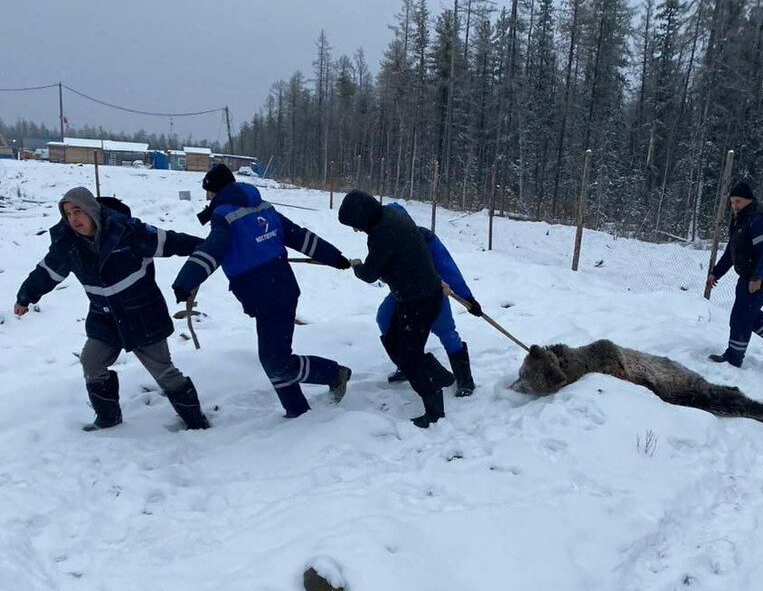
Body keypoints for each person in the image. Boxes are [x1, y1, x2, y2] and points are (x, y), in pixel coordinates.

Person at [14, 187, 210, 431]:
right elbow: (46, 273)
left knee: (163, 372)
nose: (73, 219)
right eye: (67, 214)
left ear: (92, 211)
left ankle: (196, 422)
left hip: (142, 314)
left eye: (78, 211)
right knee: (91, 362)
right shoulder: (67, 244)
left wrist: (210, 248)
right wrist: (25, 297)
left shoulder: (128, 232)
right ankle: (108, 419)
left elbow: (170, 241)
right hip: (104, 317)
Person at [172, 164, 352, 419]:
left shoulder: (224, 215)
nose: (207, 198)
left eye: (208, 192)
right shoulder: (263, 206)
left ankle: (334, 374)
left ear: (215, 191)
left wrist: (186, 281)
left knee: (275, 361)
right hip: (279, 289)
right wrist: (335, 257)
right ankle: (297, 410)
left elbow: (214, 248)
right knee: (273, 357)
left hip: (267, 295)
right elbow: (298, 236)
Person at [338, 189, 456, 428]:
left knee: (410, 356)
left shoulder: (383, 232)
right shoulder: (390, 215)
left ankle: (434, 410)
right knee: (393, 340)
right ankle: (441, 376)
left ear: (362, 216)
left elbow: (371, 273)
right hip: (414, 296)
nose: (356, 230)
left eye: (354, 224)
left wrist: (357, 266)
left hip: (419, 300)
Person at [376, 202, 482, 397]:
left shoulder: (424, 238)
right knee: (384, 318)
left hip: (432, 291)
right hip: (401, 295)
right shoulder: (383, 239)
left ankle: (464, 379)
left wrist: (468, 298)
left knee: (445, 330)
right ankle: (406, 365)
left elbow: (447, 267)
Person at [705, 180, 763, 367]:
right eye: (731, 202)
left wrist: (758, 277)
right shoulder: (741, 218)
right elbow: (732, 250)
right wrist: (716, 273)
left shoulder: (760, 219)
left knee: (742, 314)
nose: (734, 205)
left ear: (748, 200)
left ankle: (734, 358)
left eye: (737, 201)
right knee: (746, 311)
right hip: (749, 272)